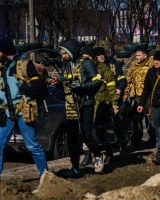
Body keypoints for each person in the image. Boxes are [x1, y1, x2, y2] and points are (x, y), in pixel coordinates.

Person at [52, 39, 103, 177]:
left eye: (64, 53)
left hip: (86, 103)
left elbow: (98, 82)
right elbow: (66, 82)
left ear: (71, 52)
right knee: (71, 138)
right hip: (71, 104)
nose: (62, 55)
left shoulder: (87, 64)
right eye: (62, 53)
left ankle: (98, 155)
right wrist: (58, 82)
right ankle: (75, 167)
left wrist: (82, 87)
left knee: (87, 134)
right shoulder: (66, 65)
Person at [0, 37, 48, 177]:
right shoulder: (2, 66)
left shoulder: (24, 64)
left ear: (4, 50)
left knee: (32, 145)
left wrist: (23, 89)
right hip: (7, 111)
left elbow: (37, 83)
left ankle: (45, 177)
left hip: (23, 110)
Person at [125, 46, 154, 148]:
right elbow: (128, 80)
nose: (136, 57)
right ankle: (136, 141)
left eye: (139, 55)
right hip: (136, 95)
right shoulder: (134, 65)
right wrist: (126, 94)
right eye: (136, 55)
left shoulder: (151, 65)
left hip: (149, 96)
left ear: (145, 55)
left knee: (150, 118)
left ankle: (153, 139)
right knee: (136, 118)